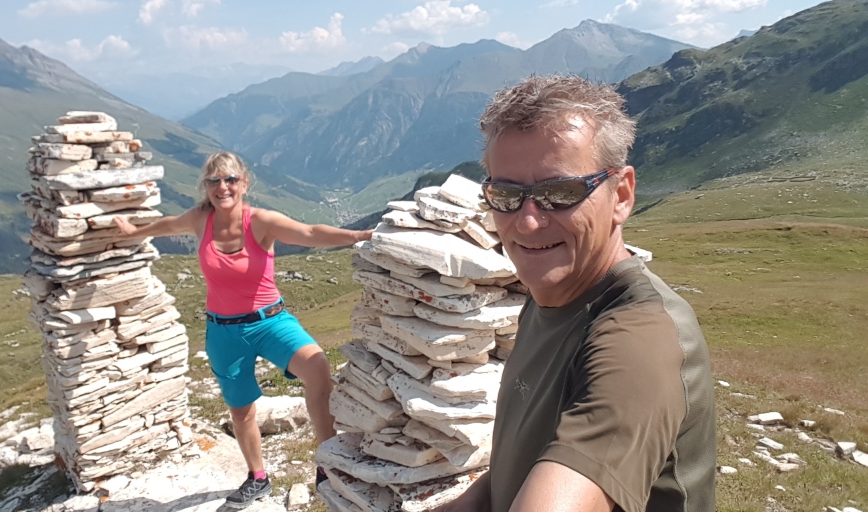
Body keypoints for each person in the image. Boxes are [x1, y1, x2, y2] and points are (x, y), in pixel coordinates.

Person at [436, 75, 715, 512]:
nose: (527, 222)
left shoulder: (641, 341)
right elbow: (528, 450)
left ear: (621, 195)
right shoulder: (550, 295)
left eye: (560, 193)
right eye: (506, 194)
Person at [114, 151, 373, 509]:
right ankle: (258, 477)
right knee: (241, 410)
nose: (222, 187)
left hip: (270, 321)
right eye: (214, 180)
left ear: (244, 183)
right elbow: (168, 225)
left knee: (317, 367)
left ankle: (328, 462)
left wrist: (360, 234)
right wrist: (135, 232)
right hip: (223, 332)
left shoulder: (260, 221)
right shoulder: (200, 219)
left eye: (230, 179)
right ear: (206, 186)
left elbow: (310, 233)